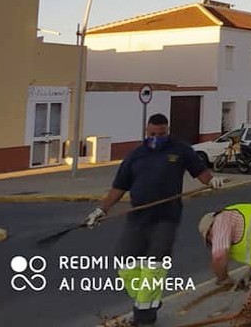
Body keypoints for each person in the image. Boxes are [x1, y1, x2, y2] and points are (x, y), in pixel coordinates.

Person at [85, 113, 224, 326]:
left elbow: (200, 172)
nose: (157, 138)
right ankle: (151, 300)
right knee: (126, 263)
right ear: (146, 132)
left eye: (162, 134)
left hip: (167, 217)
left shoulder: (180, 150)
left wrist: (213, 181)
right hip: (139, 216)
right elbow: (118, 188)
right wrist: (100, 211)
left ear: (168, 131)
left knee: (154, 266)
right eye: (152, 134)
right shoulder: (135, 156)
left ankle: (143, 315)